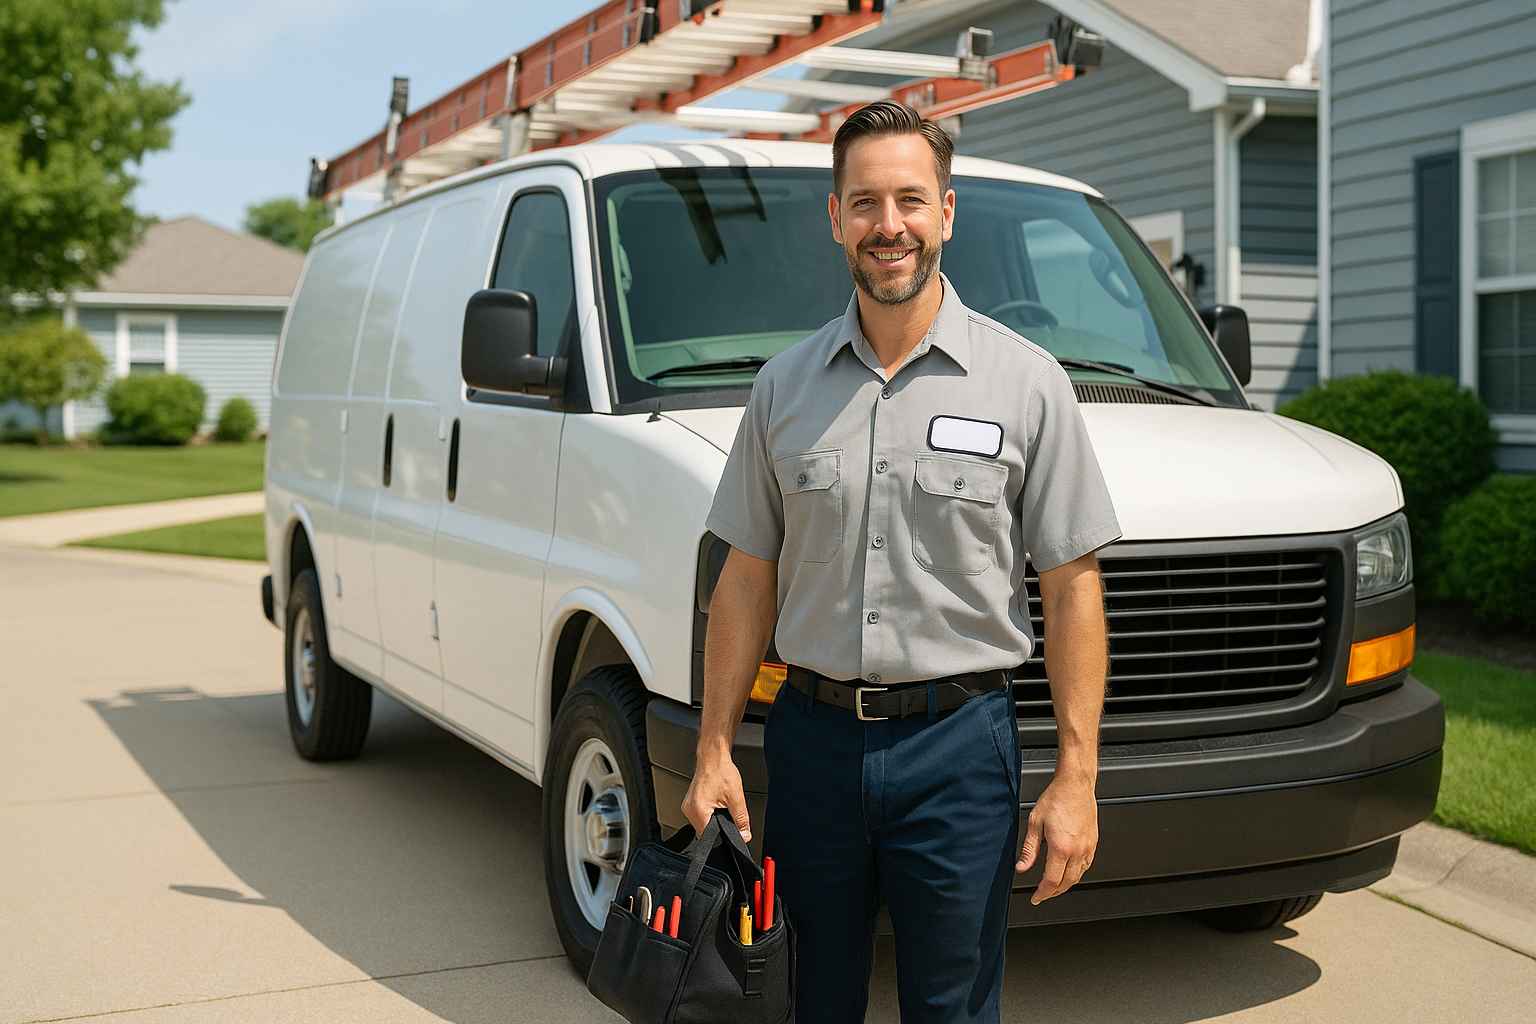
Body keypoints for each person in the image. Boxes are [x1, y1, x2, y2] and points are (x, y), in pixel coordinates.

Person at [681, 101, 1120, 1024]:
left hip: (959, 750)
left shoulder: (1027, 383)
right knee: (809, 1001)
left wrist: (1077, 777)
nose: (891, 227)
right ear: (836, 218)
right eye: (867, 203)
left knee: (952, 1010)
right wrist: (713, 747)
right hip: (812, 745)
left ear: (947, 213)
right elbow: (746, 578)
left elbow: (1073, 587)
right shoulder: (782, 389)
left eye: (911, 201)